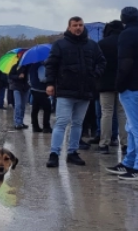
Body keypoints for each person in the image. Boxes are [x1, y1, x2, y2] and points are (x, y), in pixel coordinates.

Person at [44, 17, 106, 168]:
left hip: (85, 91)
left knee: (78, 123)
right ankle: (54, 153)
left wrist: (95, 74)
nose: (78, 28)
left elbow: (102, 61)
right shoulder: (60, 44)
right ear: (69, 27)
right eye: (75, 25)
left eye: (80, 25)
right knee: (61, 122)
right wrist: (50, 83)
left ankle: (72, 152)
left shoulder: (92, 45)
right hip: (65, 91)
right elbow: (51, 65)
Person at [107, 7, 138, 182]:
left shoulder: (126, 35)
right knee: (132, 126)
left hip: (133, 88)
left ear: (122, 19)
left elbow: (125, 62)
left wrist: (119, 85)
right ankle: (129, 162)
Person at [97, 21, 128, 154]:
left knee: (106, 113)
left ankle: (104, 143)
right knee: (122, 114)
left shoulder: (102, 44)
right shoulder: (125, 42)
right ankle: (125, 144)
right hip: (123, 83)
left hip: (105, 83)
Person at [28, 62, 51, 133]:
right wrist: (49, 78)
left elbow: (29, 80)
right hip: (41, 90)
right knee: (47, 108)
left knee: (35, 109)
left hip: (34, 89)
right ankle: (46, 126)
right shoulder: (41, 66)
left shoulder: (32, 66)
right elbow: (43, 79)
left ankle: (35, 126)